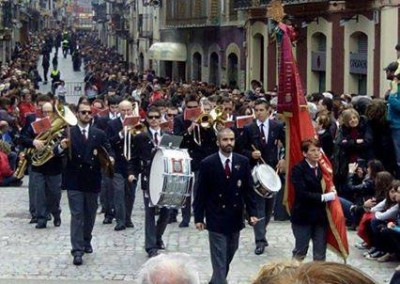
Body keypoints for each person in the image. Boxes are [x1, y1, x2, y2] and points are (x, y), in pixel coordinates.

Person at [193, 128, 258, 284]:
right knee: (219, 258)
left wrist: (252, 213)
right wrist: (198, 217)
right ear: (218, 142)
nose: (229, 143)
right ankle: (220, 280)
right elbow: (200, 192)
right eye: (225, 140)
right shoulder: (208, 163)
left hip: (235, 216)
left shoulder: (242, 161)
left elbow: (248, 190)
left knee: (230, 252)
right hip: (216, 217)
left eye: (232, 139)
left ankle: (216, 280)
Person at [59, 101, 114, 266]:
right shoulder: (68, 132)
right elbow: (56, 150)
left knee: (90, 214)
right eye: (83, 112)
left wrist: (110, 159)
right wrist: (61, 147)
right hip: (74, 178)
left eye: (89, 113)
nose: (87, 115)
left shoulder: (99, 133)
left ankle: (86, 239)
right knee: (77, 215)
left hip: (92, 178)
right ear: (77, 114)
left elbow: (108, 150)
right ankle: (77, 250)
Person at [239, 98, 285, 255]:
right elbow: (240, 149)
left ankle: (261, 233)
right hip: (256, 172)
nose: (258, 113)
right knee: (258, 206)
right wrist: (251, 154)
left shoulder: (277, 126)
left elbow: (286, 144)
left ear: (268, 111)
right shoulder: (249, 128)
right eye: (256, 110)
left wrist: (283, 159)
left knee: (268, 207)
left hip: (271, 171)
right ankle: (259, 240)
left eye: (261, 110)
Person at [128, 107, 171, 258]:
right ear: (147, 119)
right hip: (148, 177)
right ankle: (150, 246)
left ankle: (158, 237)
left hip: (166, 178)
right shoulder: (141, 137)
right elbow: (134, 158)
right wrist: (132, 173)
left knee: (166, 211)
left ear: (161, 119)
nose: (153, 120)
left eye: (156, 117)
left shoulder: (169, 135)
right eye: (151, 117)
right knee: (150, 212)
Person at [290, 138, 336, 261]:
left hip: (320, 217)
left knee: (320, 253)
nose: (317, 153)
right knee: (300, 251)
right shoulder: (298, 169)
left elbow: (329, 184)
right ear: (305, 153)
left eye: (318, 150)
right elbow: (301, 194)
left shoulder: (323, 169)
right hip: (303, 216)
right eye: (313, 150)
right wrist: (323, 197)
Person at [106, 100, 137, 230]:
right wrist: (121, 134)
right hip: (118, 162)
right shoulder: (112, 124)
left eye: (128, 110)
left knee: (130, 193)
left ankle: (128, 218)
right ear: (118, 111)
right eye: (123, 110)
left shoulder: (137, 123)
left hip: (132, 163)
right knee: (119, 192)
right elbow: (109, 142)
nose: (126, 113)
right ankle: (120, 220)